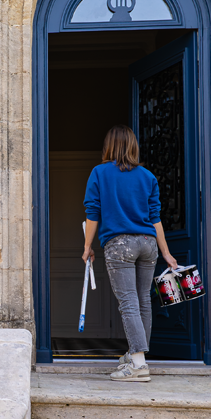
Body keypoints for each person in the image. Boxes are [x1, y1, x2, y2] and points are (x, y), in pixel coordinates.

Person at [83, 125, 179, 381]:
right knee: (143, 301)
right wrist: (166, 253)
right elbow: (155, 218)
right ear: (133, 146)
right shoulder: (147, 176)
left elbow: (93, 213)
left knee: (128, 303)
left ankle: (137, 364)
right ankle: (135, 355)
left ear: (109, 147)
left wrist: (87, 246)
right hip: (148, 244)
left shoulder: (99, 173)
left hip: (120, 245)